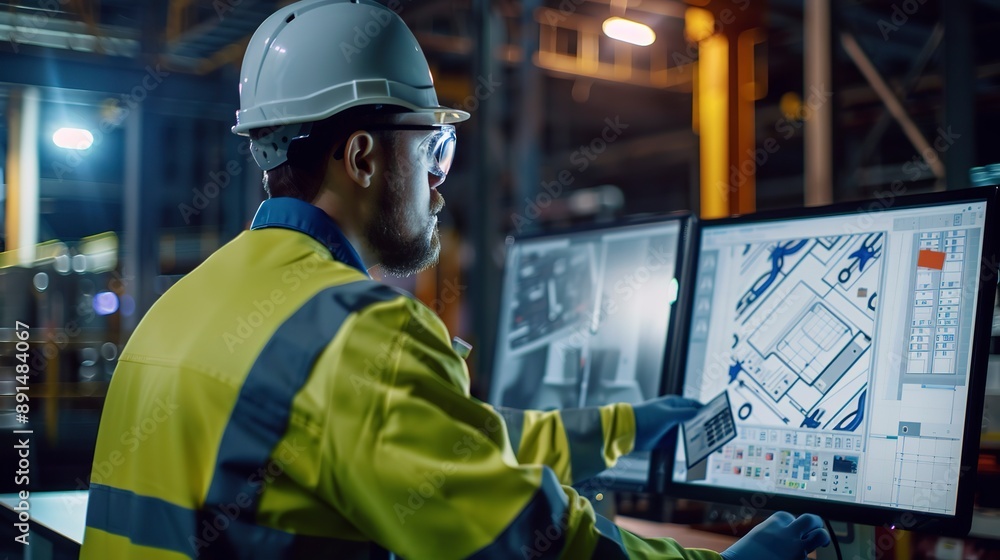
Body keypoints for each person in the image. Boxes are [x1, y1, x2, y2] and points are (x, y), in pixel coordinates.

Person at [80, 0, 830, 558]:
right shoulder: (357, 332)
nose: (440, 185)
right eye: (431, 148)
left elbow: (450, 449)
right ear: (365, 157)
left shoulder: (179, 309)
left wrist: (625, 429)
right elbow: (525, 541)